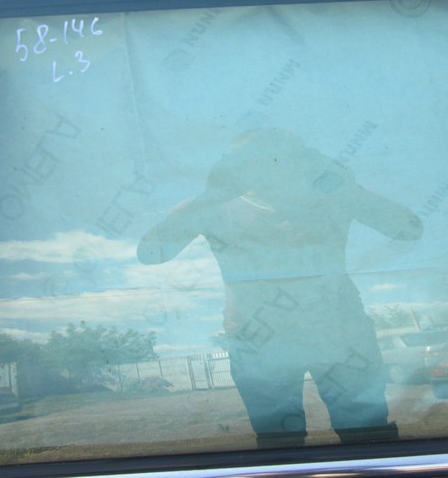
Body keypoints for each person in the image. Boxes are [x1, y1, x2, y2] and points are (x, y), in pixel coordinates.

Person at [137, 128, 423, 448]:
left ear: (299, 160)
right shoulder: (218, 205)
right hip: (279, 335)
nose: (268, 167)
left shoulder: (328, 196)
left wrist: (346, 189)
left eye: (275, 157)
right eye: (253, 159)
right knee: (286, 439)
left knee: (360, 432)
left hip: (322, 331)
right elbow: (150, 253)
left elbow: (409, 228)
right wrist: (208, 197)